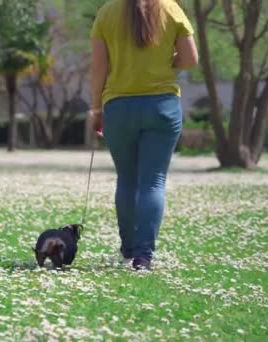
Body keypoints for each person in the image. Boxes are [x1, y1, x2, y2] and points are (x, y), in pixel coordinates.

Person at [90, 0, 198, 270]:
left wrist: (95, 107)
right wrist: (165, 62)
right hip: (162, 107)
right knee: (153, 182)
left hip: (119, 107)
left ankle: (127, 250)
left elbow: (99, 66)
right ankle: (143, 257)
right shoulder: (170, 8)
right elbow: (190, 59)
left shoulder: (107, 11)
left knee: (126, 179)